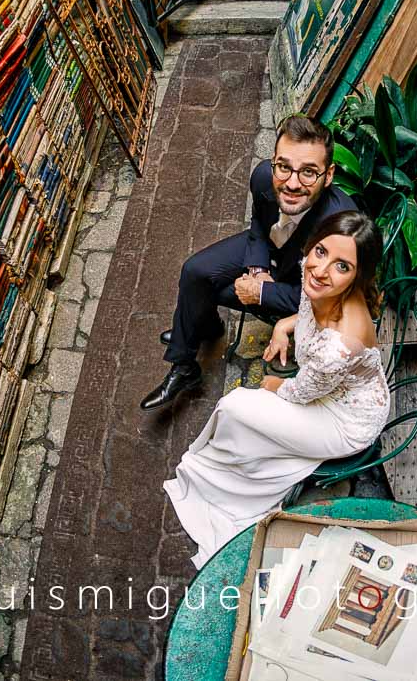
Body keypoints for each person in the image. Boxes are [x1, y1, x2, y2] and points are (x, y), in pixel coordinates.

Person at [163, 211, 390, 568]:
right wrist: (285, 325)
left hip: (346, 420)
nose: (321, 270)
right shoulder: (321, 282)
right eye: (320, 252)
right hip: (330, 388)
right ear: (311, 246)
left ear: (357, 276)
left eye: (342, 266)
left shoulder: (339, 344)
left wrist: (274, 384)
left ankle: (231, 487)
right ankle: (236, 466)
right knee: (245, 413)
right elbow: (309, 308)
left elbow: (301, 392)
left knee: (236, 404)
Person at [141, 114, 356, 411]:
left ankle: (194, 326)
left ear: (328, 175)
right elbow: (258, 223)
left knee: (210, 291)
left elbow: (327, 303)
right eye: (284, 167)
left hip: (300, 285)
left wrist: (262, 291)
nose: (292, 183)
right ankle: (186, 362)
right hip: (268, 251)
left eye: (308, 172)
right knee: (195, 273)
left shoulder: (341, 228)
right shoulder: (264, 177)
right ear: (274, 162)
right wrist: (258, 269)